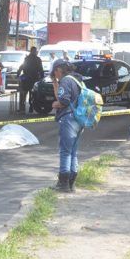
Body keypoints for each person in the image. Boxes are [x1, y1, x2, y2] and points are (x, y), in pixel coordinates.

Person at [50, 59, 84, 193]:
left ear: (59, 69)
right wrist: (55, 84)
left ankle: (63, 184)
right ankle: (71, 184)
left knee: (65, 151)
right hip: (79, 119)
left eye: (54, 73)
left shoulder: (66, 80)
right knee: (73, 152)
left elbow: (63, 100)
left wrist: (55, 105)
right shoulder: (77, 80)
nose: (55, 75)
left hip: (68, 119)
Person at [17, 46, 44, 113]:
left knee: (23, 94)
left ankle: (22, 108)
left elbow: (22, 66)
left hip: (26, 79)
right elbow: (41, 69)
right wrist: (42, 78)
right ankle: (31, 106)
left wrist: (18, 74)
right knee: (33, 94)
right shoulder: (38, 59)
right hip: (35, 79)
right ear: (34, 51)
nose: (36, 52)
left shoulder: (27, 58)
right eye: (35, 51)